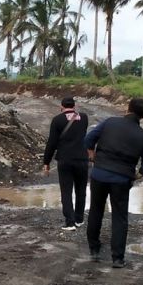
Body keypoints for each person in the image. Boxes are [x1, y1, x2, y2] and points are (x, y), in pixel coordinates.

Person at [84, 98, 143, 269]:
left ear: (127, 109)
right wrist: (132, 176)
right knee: (120, 218)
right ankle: (117, 258)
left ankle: (94, 250)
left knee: (96, 210)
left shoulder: (110, 122)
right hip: (122, 180)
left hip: (99, 175)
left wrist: (92, 156)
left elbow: (88, 139)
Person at [43, 96, 89, 231]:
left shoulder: (57, 120)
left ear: (61, 106)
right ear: (74, 106)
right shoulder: (84, 117)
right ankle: (79, 219)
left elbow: (51, 143)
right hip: (82, 159)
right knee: (81, 190)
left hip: (65, 160)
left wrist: (46, 162)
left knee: (66, 191)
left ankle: (70, 222)